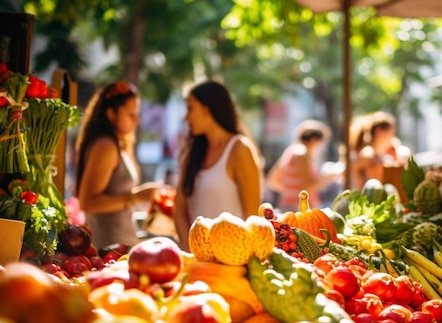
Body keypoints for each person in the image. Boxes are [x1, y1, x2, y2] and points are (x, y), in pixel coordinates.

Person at [173, 80, 262, 251]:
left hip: (232, 259)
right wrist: (192, 249)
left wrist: (234, 255)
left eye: (190, 109)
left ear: (207, 109)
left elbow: (252, 216)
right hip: (196, 259)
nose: (186, 117)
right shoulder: (191, 154)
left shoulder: (240, 149)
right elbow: (180, 211)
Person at [75, 81, 160, 249]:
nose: (137, 121)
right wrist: (135, 197)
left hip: (118, 245)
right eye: (130, 115)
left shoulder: (116, 144)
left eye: (137, 114)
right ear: (111, 113)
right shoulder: (105, 146)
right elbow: (88, 202)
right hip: (108, 249)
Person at [266, 119, 338, 212]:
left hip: (287, 206)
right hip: (300, 209)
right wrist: (329, 178)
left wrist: (290, 190)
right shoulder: (302, 153)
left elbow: (272, 180)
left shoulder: (290, 152)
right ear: (314, 140)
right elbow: (308, 186)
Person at [349, 111, 411, 190]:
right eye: (391, 132)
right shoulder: (367, 154)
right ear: (379, 131)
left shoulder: (381, 154)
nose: (392, 137)